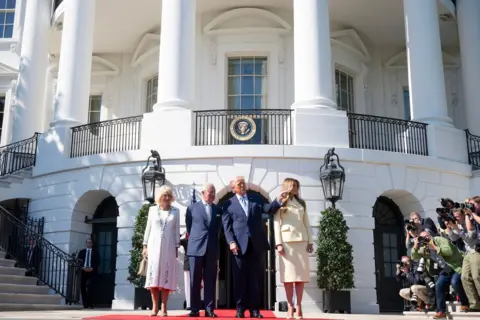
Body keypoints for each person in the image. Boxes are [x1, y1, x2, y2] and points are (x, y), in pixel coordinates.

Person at [222, 176, 289, 318]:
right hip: (238, 246)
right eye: (238, 183)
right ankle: (240, 308)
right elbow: (227, 227)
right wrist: (231, 242)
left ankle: (254, 309)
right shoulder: (228, 204)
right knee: (239, 278)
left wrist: (278, 200)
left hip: (257, 245)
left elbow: (269, 209)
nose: (241, 185)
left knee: (255, 279)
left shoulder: (255, 199)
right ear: (232, 188)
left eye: (242, 183)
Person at [273, 178, 313, 319]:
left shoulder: (302, 203)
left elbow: (306, 222)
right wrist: (278, 243)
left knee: (300, 278)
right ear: (286, 187)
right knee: (289, 277)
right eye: (292, 185)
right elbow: (276, 223)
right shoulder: (281, 202)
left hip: (301, 241)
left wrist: (310, 241)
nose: (295, 187)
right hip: (286, 243)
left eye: (296, 185)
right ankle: (290, 305)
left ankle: (299, 306)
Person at [411, 231, 469, 319]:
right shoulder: (425, 248)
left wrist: (433, 246)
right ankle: (441, 311)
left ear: (429, 236)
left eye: (426, 236)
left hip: (457, 265)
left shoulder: (439, 240)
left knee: (455, 282)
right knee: (439, 285)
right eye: (422, 238)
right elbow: (415, 257)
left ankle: (465, 303)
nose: (425, 239)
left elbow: (449, 251)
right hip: (445, 270)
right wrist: (416, 244)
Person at [142, 185, 181, 317]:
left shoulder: (176, 211)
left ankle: (164, 306)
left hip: (169, 246)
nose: (166, 197)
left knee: (166, 276)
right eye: (164, 195)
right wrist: (145, 245)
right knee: (153, 276)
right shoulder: (152, 210)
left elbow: (176, 231)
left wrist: (176, 247)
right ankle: (154, 307)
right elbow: (148, 228)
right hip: (154, 245)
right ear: (160, 196)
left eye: (169, 195)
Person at [185, 183, 221, 317]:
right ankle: (194, 308)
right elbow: (189, 227)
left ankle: (209, 309)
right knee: (194, 279)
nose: (212, 195)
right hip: (195, 248)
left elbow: (218, 229)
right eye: (210, 192)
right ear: (203, 193)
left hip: (211, 249)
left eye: (214, 193)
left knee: (210, 280)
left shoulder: (218, 209)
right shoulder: (192, 208)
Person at [445, 208, 480, 310]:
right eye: (454, 216)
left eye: (457, 216)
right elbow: (454, 239)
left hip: (475, 251)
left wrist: (457, 228)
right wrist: (450, 229)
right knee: (464, 278)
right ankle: (475, 304)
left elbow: (469, 239)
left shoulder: (469, 222)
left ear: (463, 215)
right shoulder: (459, 225)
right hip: (467, 254)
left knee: (476, 277)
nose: (456, 218)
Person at [77, 238, 100, 309]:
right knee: (82, 287)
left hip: (92, 272)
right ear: (86, 244)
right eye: (87, 243)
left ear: (92, 244)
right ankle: (85, 304)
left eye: (90, 243)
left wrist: (92, 268)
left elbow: (98, 262)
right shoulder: (82, 252)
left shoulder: (95, 252)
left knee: (90, 287)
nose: (89, 244)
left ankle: (90, 303)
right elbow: (78, 261)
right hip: (83, 271)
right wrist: (82, 268)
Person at [179, 231, 191, 310]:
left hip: (196, 264)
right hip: (187, 264)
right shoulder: (185, 240)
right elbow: (176, 240)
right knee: (187, 286)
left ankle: (193, 303)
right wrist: (182, 233)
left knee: (195, 286)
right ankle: (189, 304)